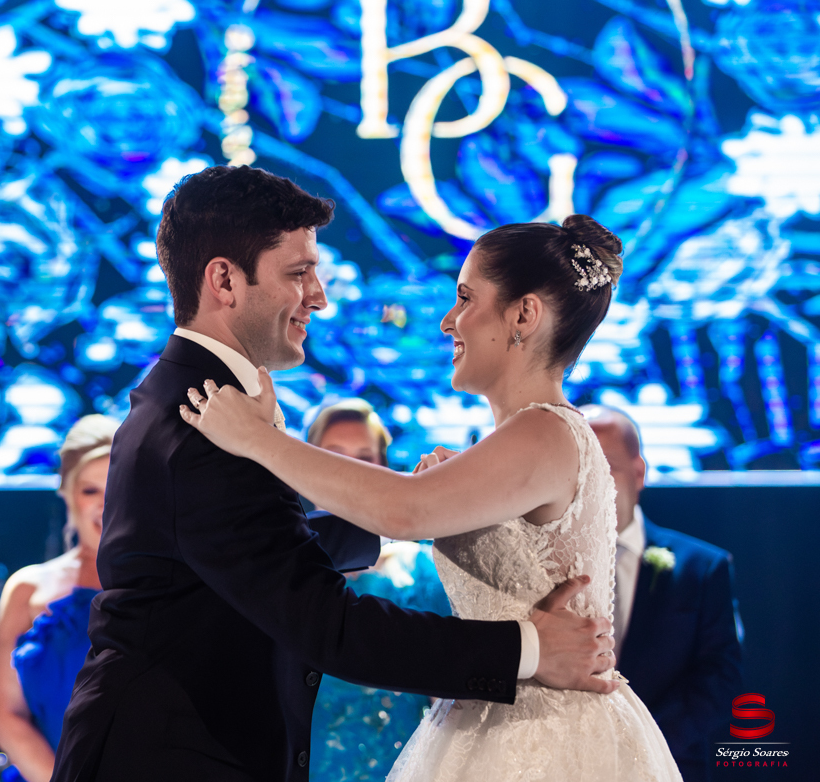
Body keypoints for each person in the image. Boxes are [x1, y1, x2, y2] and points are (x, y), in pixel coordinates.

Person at [52, 166, 616, 782]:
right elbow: (323, 619)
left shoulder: (204, 404)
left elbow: (258, 546)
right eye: (299, 273)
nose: (319, 296)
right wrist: (529, 649)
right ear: (224, 280)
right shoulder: (204, 421)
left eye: (464, 298)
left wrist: (437, 504)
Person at [183, 213, 682, 780]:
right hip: (495, 718)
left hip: (541, 738)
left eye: (465, 298)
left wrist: (258, 439)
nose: (448, 322)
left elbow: (404, 509)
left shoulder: (544, 431)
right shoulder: (526, 438)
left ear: (524, 314)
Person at [585, 405, 742, 782]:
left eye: (605, 467)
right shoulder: (542, 564)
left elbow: (719, 678)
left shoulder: (701, 568)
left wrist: (640, 745)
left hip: (666, 764)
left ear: (638, 473)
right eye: (579, 468)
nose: (590, 482)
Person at [305, 400, 453, 781]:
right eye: (333, 456)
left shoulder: (424, 573)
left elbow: (452, 697)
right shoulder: (282, 573)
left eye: (364, 458)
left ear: (383, 469)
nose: (350, 470)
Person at [0, 414, 119, 782]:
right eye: (90, 490)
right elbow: (7, 716)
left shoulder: (167, 583)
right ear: (68, 496)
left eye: (115, 488)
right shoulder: (26, 589)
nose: (103, 504)